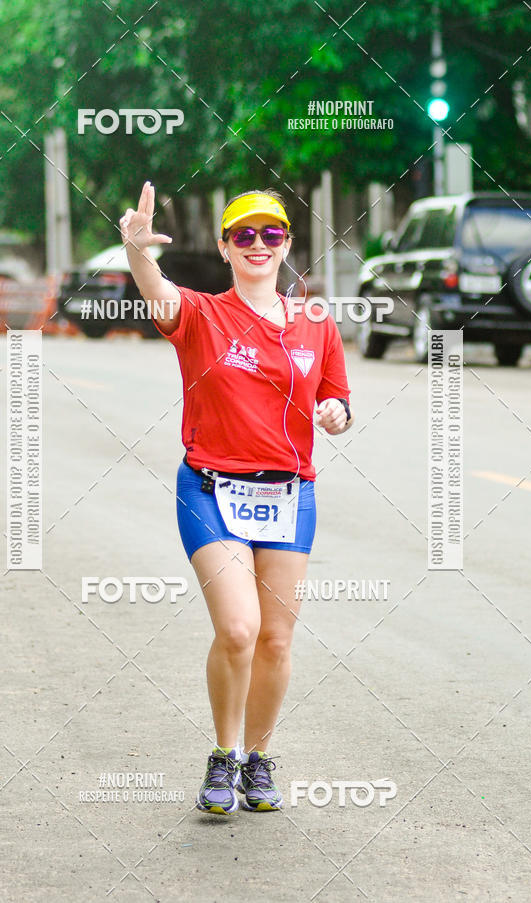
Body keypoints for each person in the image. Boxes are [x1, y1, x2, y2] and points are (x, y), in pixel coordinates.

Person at [120, 181, 353, 815]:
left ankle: (258, 760)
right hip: (209, 489)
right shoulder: (202, 314)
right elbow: (157, 292)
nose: (257, 244)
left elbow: (335, 398)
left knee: (276, 639)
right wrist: (139, 251)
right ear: (225, 247)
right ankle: (223, 757)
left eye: (270, 233)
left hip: (289, 495)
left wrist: (335, 413)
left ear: (286, 246)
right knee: (239, 628)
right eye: (243, 235)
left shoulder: (315, 322)